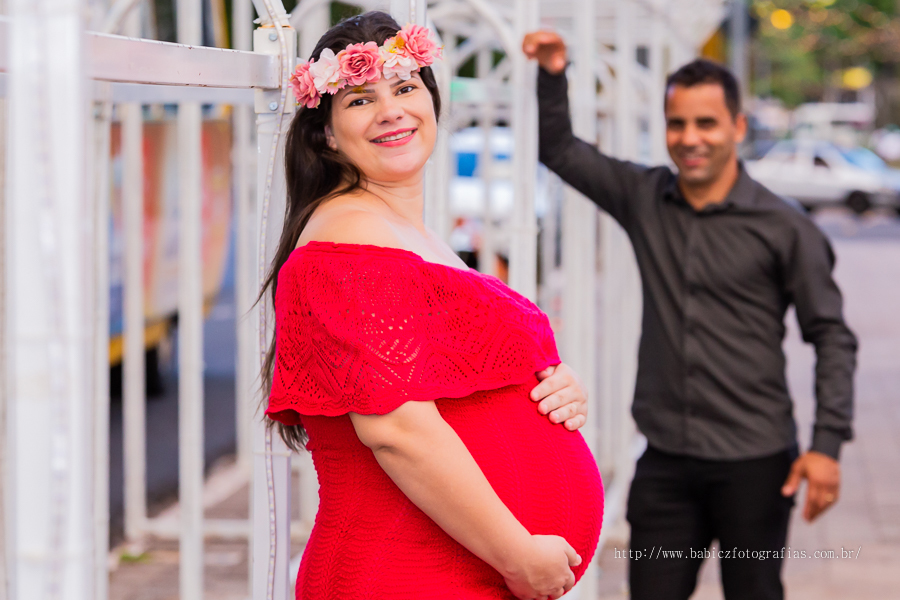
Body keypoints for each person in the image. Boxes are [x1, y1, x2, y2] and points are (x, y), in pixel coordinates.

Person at [261, 13, 604, 600]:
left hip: (451, 568)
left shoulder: (399, 231)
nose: (391, 110)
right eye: (360, 99)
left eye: (404, 87)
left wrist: (547, 380)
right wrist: (518, 555)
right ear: (327, 134)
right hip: (407, 571)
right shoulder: (349, 239)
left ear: (432, 101)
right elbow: (396, 428)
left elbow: (451, 371)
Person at [523, 32, 857, 600]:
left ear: (738, 127)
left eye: (707, 124)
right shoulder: (644, 196)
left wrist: (825, 446)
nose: (690, 139)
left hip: (756, 462)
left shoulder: (785, 228)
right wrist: (555, 71)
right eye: (678, 124)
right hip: (665, 464)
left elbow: (831, 337)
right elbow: (560, 151)